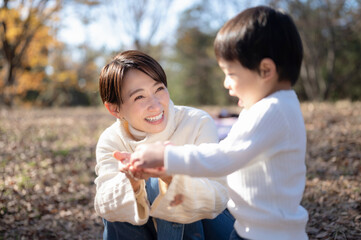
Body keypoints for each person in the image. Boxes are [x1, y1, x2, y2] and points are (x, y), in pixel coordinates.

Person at [126, 6, 309, 240]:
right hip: (256, 229)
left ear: (266, 70)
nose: (226, 83)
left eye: (231, 73)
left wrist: (165, 158)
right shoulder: (282, 104)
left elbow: (224, 157)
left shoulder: (270, 110)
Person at [94, 50, 234, 240]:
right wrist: (132, 183)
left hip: (212, 227)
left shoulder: (196, 122)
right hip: (149, 231)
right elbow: (104, 205)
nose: (156, 105)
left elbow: (218, 197)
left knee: (158, 179)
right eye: (139, 97)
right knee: (117, 196)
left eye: (159, 89)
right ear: (114, 109)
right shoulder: (112, 139)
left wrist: (171, 176)